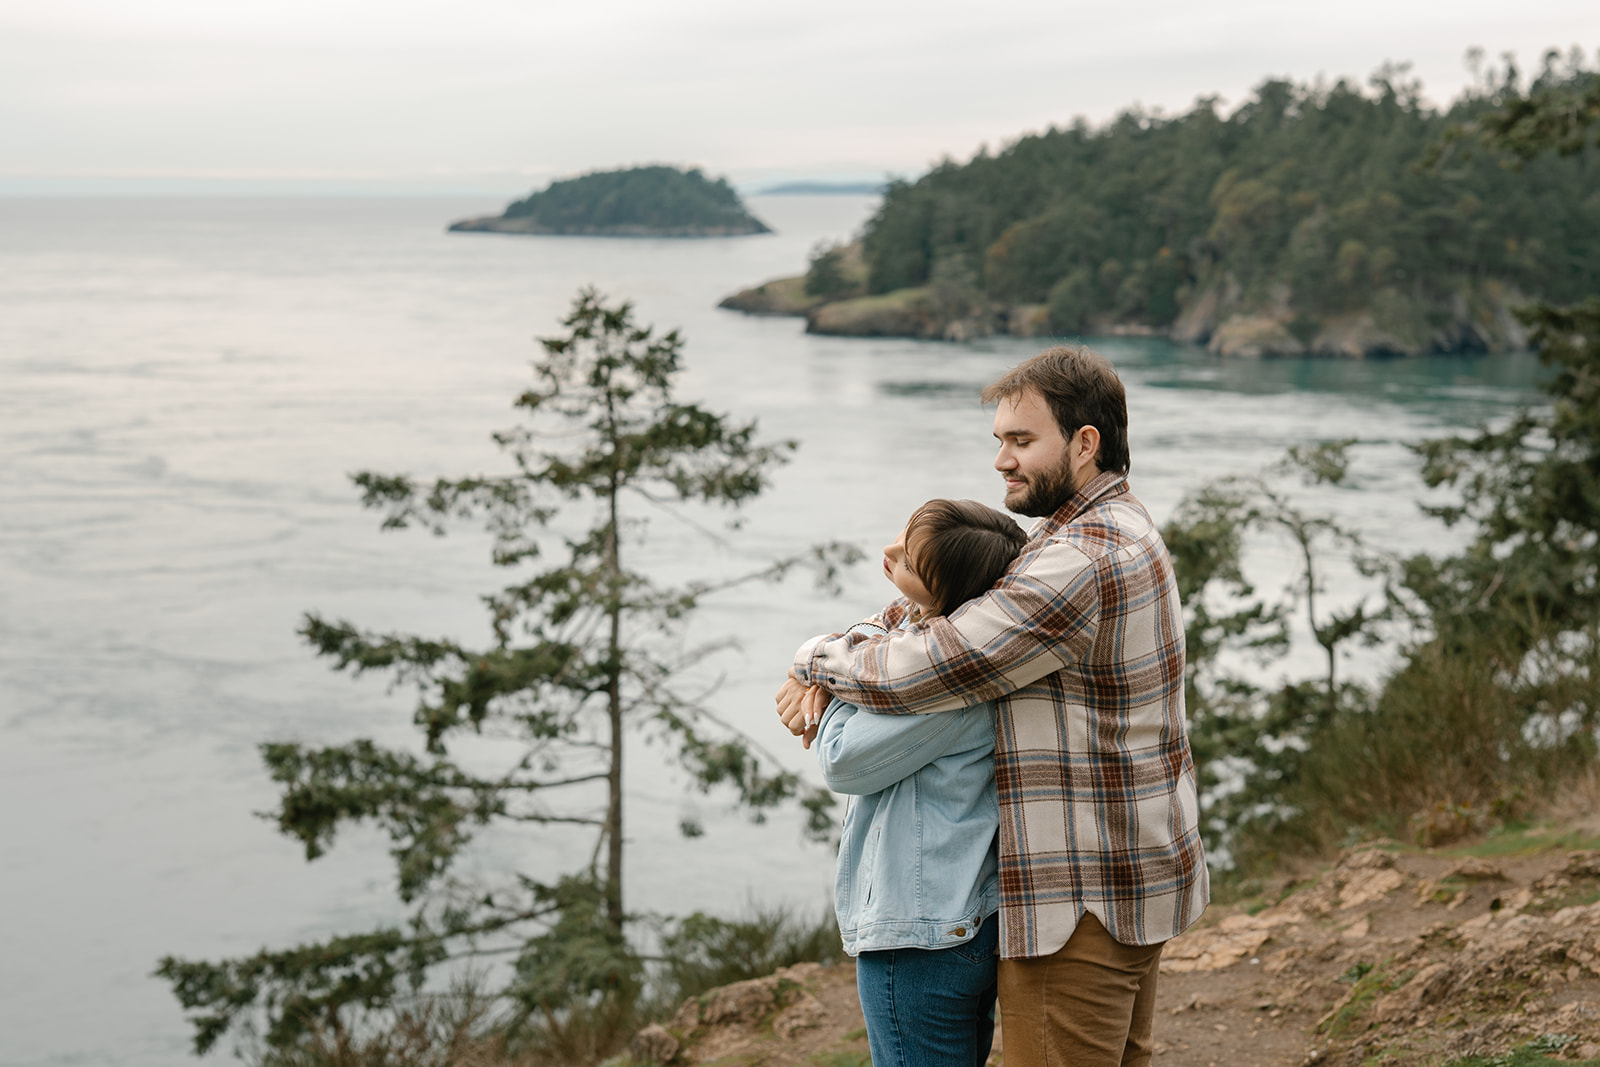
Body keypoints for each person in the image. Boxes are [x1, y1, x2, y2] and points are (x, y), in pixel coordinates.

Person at [777, 345, 1208, 1067]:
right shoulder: (1117, 529)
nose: (1002, 460)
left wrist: (811, 660)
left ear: (1084, 443)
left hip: (1080, 901)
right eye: (999, 441)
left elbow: (935, 661)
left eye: (1020, 440)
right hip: (1137, 872)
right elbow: (941, 621)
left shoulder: (1077, 561)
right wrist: (856, 642)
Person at [811, 498, 1027, 1067]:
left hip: (918, 935)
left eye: (907, 559)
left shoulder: (939, 685)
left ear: (946, 593)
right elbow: (882, 632)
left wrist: (826, 690)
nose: (887, 554)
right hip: (966, 917)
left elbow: (841, 759)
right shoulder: (953, 648)